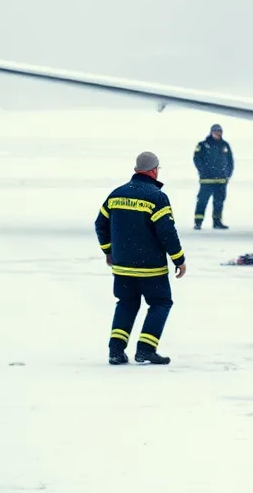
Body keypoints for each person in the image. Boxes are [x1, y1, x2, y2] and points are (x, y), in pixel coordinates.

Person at [94, 151, 186, 365]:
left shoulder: (116, 194)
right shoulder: (156, 197)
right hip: (150, 268)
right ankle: (146, 349)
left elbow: (100, 223)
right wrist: (178, 259)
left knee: (126, 303)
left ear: (136, 169)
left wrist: (109, 251)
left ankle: (115, 351)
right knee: (161, 303)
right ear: (154, 170)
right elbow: (167, 232)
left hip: (123, 267)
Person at [193, 123, 234, 229]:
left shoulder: (225, 145)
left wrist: (228, 174)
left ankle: (217, 222)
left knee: (219, 202)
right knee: (202, 201)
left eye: (219, 132)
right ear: (211, 132)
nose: (217, 134)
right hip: (207, 180)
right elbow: (197, 159)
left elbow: (230, 161)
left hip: (221, 180)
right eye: (216, 132)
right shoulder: (202, 145)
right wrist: (203, 171)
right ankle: (198, 222)